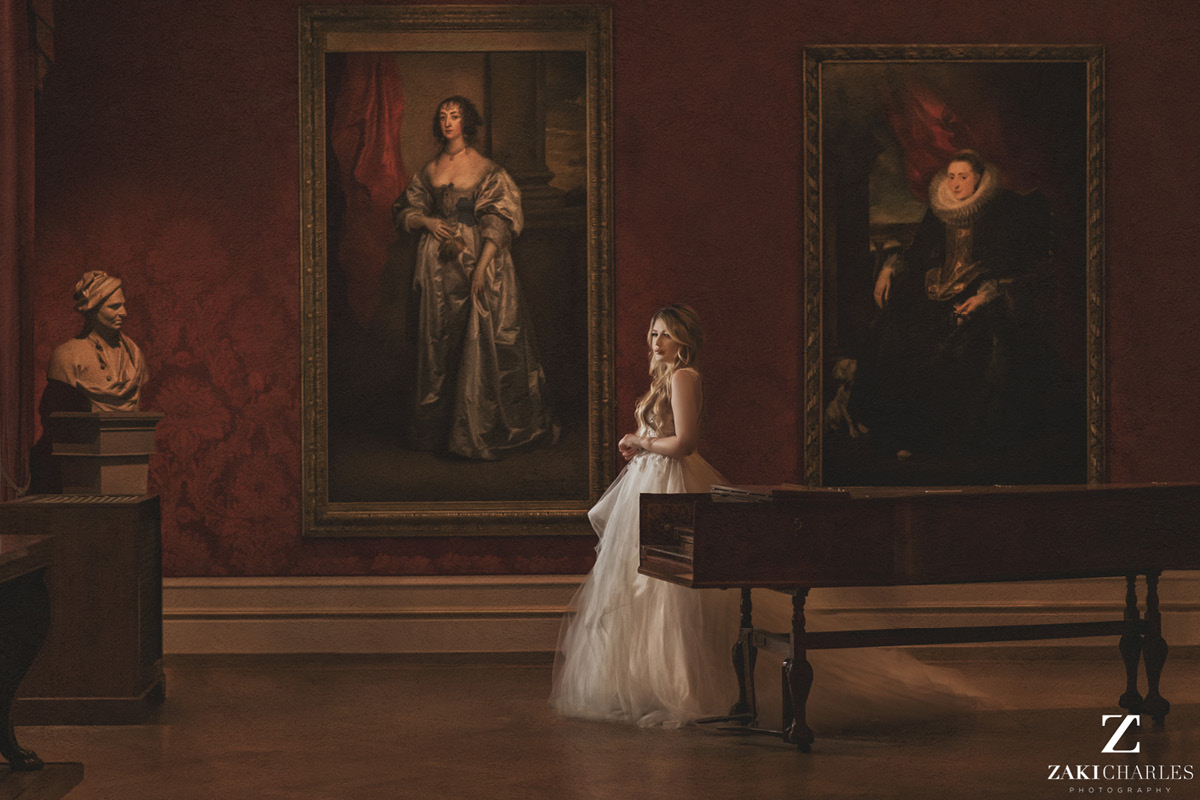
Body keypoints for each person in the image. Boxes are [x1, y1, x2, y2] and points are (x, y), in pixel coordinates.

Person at [551, 305, 985, 731]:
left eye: (665, 333)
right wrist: (641, 444)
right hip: (647, 483)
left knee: (672, 592)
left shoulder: (684, 377)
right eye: (653, 333)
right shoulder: (664, 378)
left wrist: (641, 442)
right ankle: (645, 682)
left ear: (684, 339)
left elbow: (684, 444)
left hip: (671, 485)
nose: (656, 340)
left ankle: (681, 687)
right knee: (642, 586)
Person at [851, 150, 1055, 461]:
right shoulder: (939, 209)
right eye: (951, 177)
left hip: (980, 294)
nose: (956, 183)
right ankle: (896, 430)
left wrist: (984, 296)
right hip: (935, 291)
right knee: (896, 330)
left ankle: (940, 438)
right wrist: (889, 268)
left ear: (978, 179)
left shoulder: (1000, 210)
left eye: (963, 177)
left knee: (963, 343)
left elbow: (1017, 264)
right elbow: (918, 253)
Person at [392, 96, 557, 460]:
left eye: (454, 115)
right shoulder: (431, 168)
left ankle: (475, 429)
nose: (447, 121)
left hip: (477, 260)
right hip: (436, 268)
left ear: (466, 122)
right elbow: (407, 207)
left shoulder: (486, 168)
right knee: (439, 340)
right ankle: (439, 432)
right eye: (442, 116)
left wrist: (482, 267)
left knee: (478, 339)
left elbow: (500, 218)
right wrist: (427, 221)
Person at [46, 270, 149, 412]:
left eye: (122, 305)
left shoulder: (134, 355)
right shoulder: (66, 356)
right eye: (114, 307)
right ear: (93, 309)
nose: (123, 312)